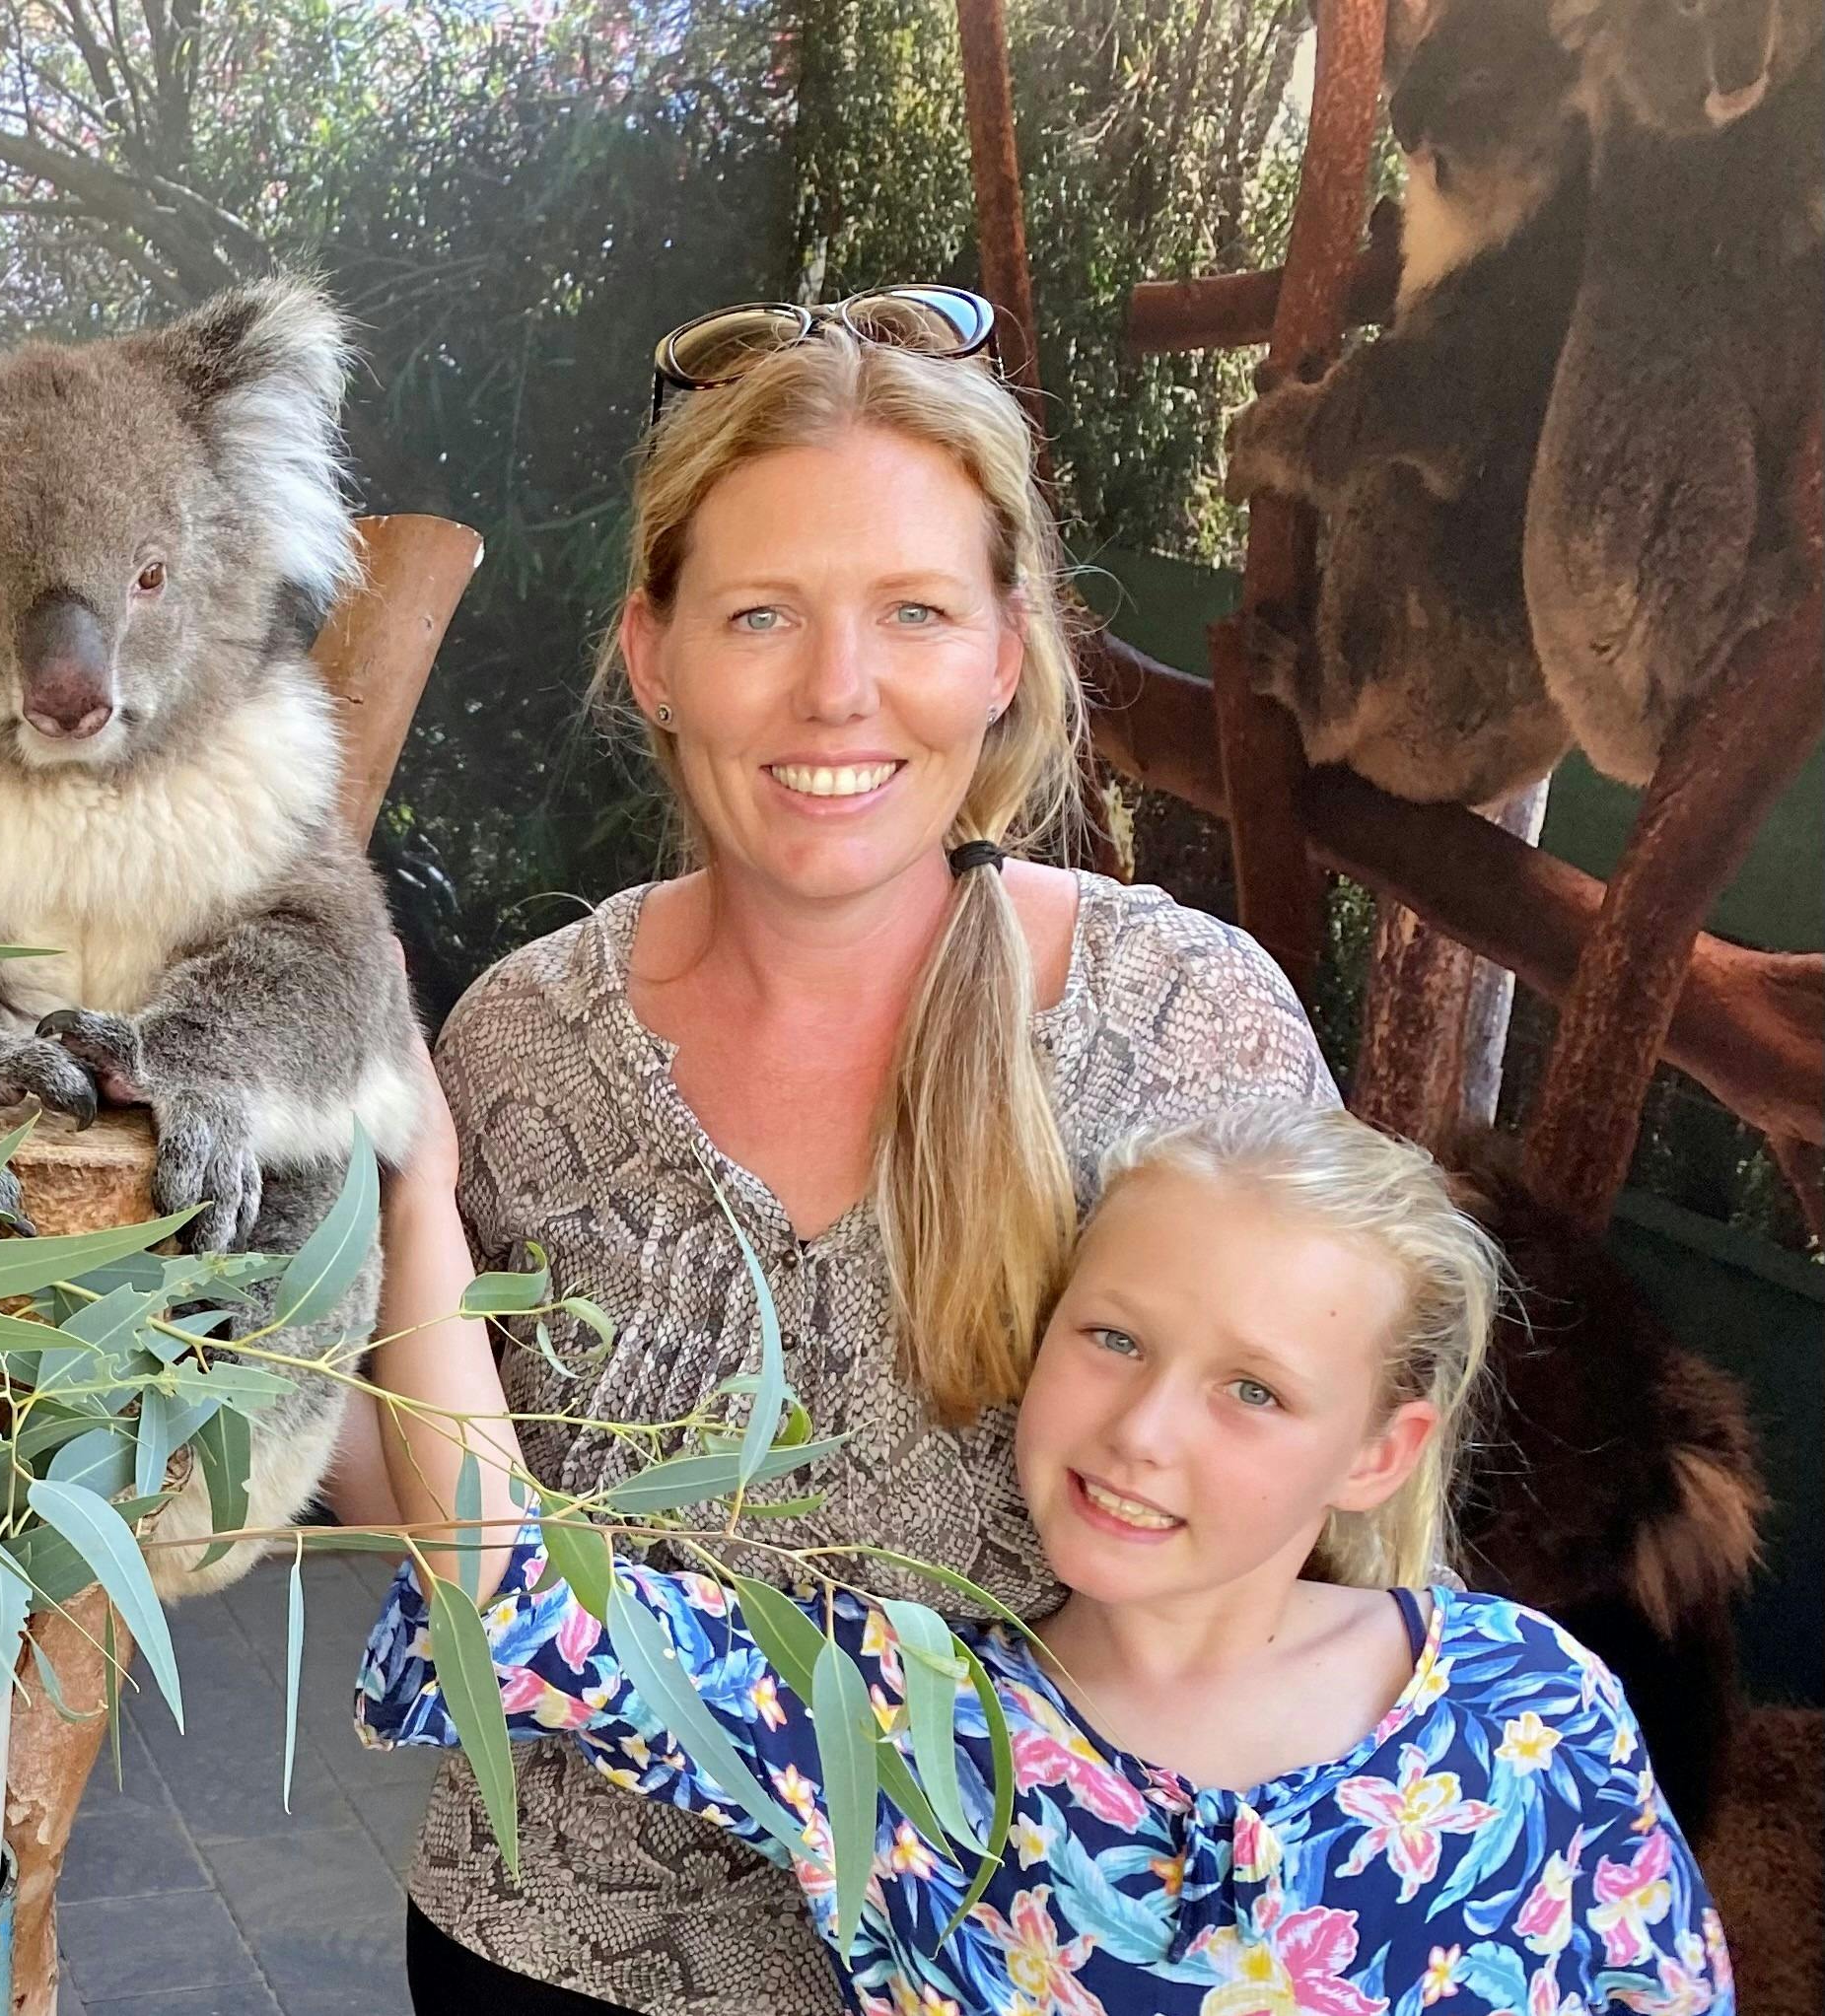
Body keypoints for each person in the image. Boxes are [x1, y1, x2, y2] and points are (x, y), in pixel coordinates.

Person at [330, 291, 1339, 2015]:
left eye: (916, 612)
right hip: (557, 1946)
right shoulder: (519, 1041)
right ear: (653, 648)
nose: (839, 691)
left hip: (1025, 1959)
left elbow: (1310, 1551)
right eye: (762, 614)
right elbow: (424, 1512)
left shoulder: (1189, 1029)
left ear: (1008, 649)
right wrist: (262, 1304)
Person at [355, 1100, 1730, 2015]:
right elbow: (513, 1597)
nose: (1141, 1431)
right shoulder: (904, 1723)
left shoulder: (1531, 1711)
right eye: (1114, 1337)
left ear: (1379, 1450)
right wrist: (419, 1189)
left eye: (1255, 1391)